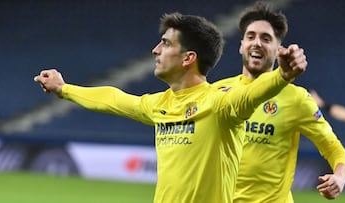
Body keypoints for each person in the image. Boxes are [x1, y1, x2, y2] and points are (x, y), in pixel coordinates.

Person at [34, 12, 306, 203]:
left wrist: (282, 75)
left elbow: (251, 95)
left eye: (165, 43)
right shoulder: (159, 104)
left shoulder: (220, 103)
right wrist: (64, 89)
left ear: (189, 57)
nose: (155, 50)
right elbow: (114, 99)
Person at [213, 2, 345, 202]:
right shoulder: (217, 91)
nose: (257, 43)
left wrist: (340, 176)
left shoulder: (297, 99)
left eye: (266, 38)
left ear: (278, 49)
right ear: (241, 46)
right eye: (250, 36)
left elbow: (333, 147)